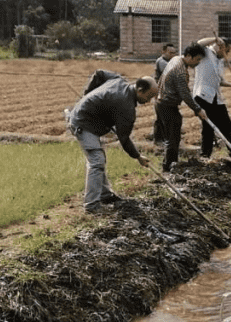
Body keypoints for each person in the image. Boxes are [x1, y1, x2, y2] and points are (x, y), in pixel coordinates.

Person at [67, 70, 155, 214]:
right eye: (149, 96)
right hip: (82, 123)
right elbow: (124, 139)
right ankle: (91, 206)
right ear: (139, 90)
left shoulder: (119, 80)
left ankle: (105, 195)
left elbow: (99, 74)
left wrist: (89, 94)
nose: (149, 101)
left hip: (91, 122)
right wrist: (138, 157)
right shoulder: (126, 107)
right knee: (97, 160)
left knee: (100, 158)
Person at [156, 42, 207, 171]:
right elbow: (185, 94)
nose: (198, 63)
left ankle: (169, 164)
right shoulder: (180, 71)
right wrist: (198, 109)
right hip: (167, 106)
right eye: (197, 59)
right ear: (189, 56)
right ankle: (169, 168)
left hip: (161, 103)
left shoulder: (176, 59)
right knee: (173, 139)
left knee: (171, 138)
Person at [193, 36, 231, 159]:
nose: (227, 54)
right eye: (227, 51)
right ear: (221, 47)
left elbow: (220, 81)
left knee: (226, 123)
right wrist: (215, 39)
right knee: (209, 126)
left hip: (215, 96)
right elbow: (198, 43)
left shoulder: (220, 61)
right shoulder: (206, 52)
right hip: (203, 95)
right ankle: (205, 155)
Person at [152, 43, 178, 143]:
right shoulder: (161, 61)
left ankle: (160, 139)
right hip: (161, 92)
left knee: (162, 117)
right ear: (163, 52)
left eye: (174, 53)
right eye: (170, 52)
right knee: (162, 118)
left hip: (166, 93)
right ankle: (159, 140)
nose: (172, 55)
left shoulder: (170, 61)